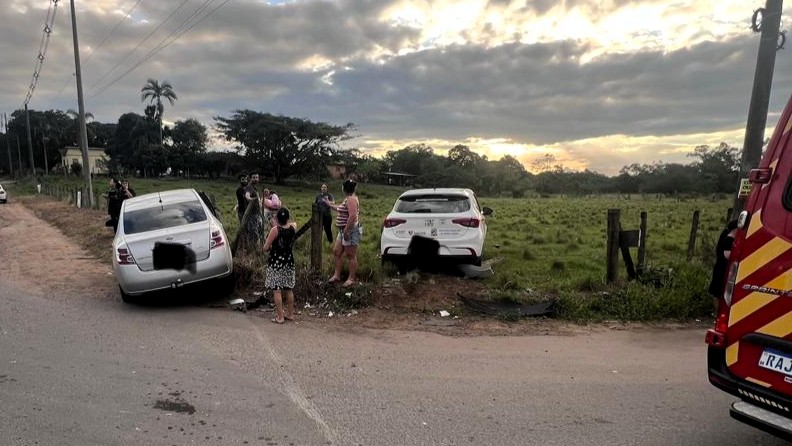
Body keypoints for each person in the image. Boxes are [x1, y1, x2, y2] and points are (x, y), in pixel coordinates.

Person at [262, 207, 297, 324]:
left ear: (277, 219)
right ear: (288, 218)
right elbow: (294, 223)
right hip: (289, 261)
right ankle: (290, 314)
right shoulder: (292, 228)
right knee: (289, 289)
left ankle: (280, 317)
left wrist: (271, 246)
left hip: (276, 263)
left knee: (277, 290)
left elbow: (265, 248)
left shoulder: (275, 230)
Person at [325, 179, 361, 287]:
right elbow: (340, 208)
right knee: (336, 252)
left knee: (351, 255)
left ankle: (351, 278)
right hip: (343, 231)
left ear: (344, 188)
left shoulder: (351, 200)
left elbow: (352, 216)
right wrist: (329, 204)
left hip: (350, 231)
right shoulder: (348, 199)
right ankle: (337, 275)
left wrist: (346, 231)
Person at [708, 220, 738, 312]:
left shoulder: (727, 237)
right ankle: (718, 312)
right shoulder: (729, 240)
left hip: (722, 268)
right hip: (722, 269)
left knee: (719, 293)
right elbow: (727, 255)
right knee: (718, 293)